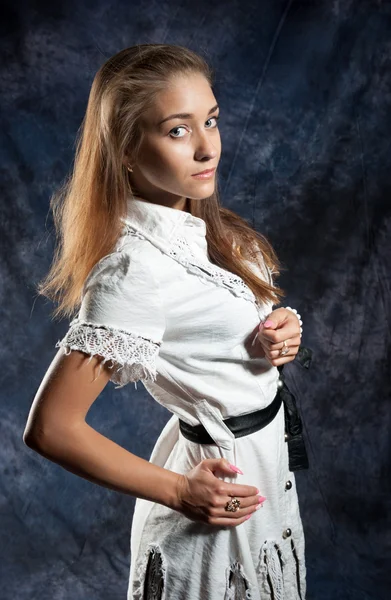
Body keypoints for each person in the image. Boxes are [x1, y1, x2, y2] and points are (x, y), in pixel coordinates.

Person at [23, 44, 309, 600]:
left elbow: (227, 333)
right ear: (126, 150)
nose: (207, 147)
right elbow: (52, 428)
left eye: (211, 120)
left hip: (270, 478)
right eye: (178, 131)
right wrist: (180, 491)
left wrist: (280, 331)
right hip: (222, 502)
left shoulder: (206, 226)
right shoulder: (134, 270)